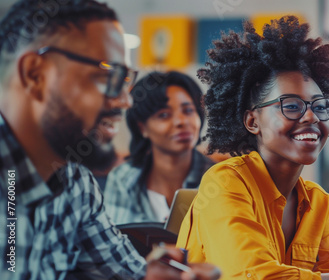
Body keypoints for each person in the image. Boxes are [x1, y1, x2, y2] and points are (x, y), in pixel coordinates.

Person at [0, 1, 220, 279]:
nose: (126, 101)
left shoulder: (76, 187)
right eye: (108, 76)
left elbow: (131, 275)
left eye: (126, 80)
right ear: (35, 74)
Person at [176, 16, 329, 279]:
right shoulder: (225, 183)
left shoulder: (316, 200)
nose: (311, 117)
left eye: (320, 106)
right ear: (252, 121)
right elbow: (255, 276)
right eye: (291, 106)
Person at [104, 71, 214, 224]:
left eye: (188, 110)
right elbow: (112, 240)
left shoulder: (218, 180)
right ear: (142, 128)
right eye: (164, 115)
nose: (181, 122)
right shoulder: (122, 179)